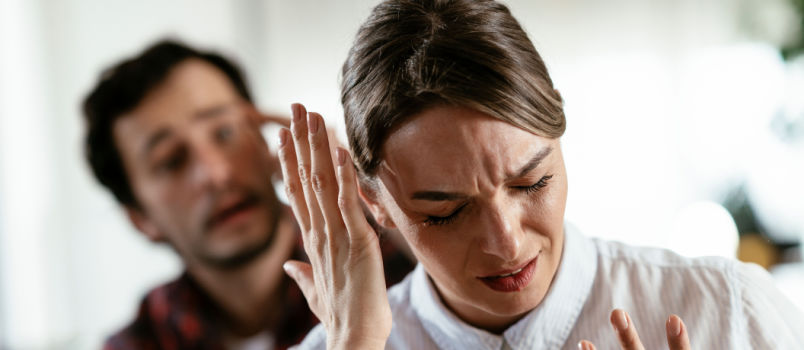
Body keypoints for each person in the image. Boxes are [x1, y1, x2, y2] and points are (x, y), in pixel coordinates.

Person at [277, 1, 804, 349]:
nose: (505, 242)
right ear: (374, 204)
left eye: (532, 182)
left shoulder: (729, 310)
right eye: (446, 212)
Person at [82, 40, 413, 349]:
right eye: (171, 161)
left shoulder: (399, 268)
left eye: (225, 132)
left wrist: (373, 189)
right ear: (140, 218)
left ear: (262, 137)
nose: (216, 174)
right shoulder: (138, 344)